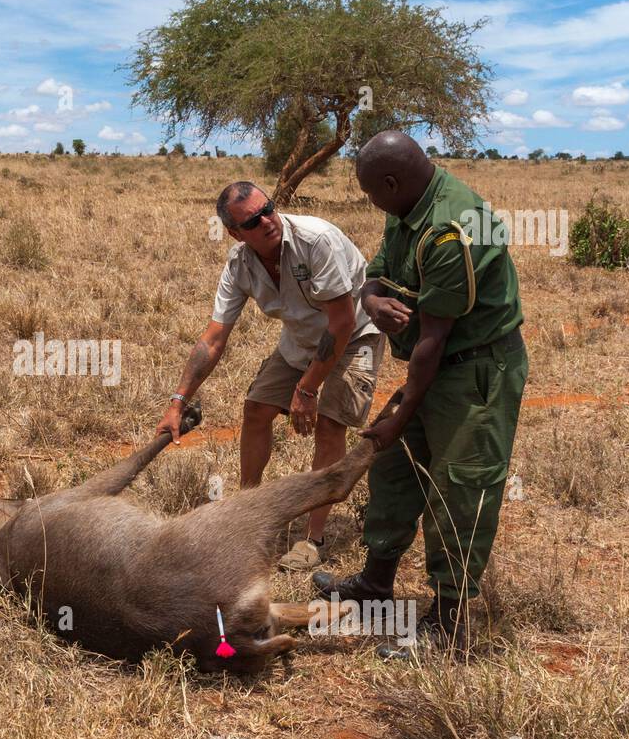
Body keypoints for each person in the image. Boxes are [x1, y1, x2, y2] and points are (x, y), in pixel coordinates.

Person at [313, 131, 528, 655]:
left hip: (475, 368)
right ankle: (375, 586)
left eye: (370, 193)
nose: (371, 203)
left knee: (461, 489)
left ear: (391, 181)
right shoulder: (406, 204)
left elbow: (433, 340)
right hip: (437, 362)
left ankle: (448, 625)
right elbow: (377, 272)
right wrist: (371, 299)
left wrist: (399, 411)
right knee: (395, 466)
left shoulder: (452, 231)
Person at [157, 181, 385, 571]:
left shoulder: (316, 241)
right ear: (235, 233)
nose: (267, 221)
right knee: (256, 409)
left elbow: (342, 322)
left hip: (354, 335)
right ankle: (247, 516)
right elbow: (213, 339)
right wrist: (178, 400)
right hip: (301, 340)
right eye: (253, 220)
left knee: (330, 425)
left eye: (269, 209)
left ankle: (313, 538)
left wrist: (307, 388)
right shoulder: (239, 264)